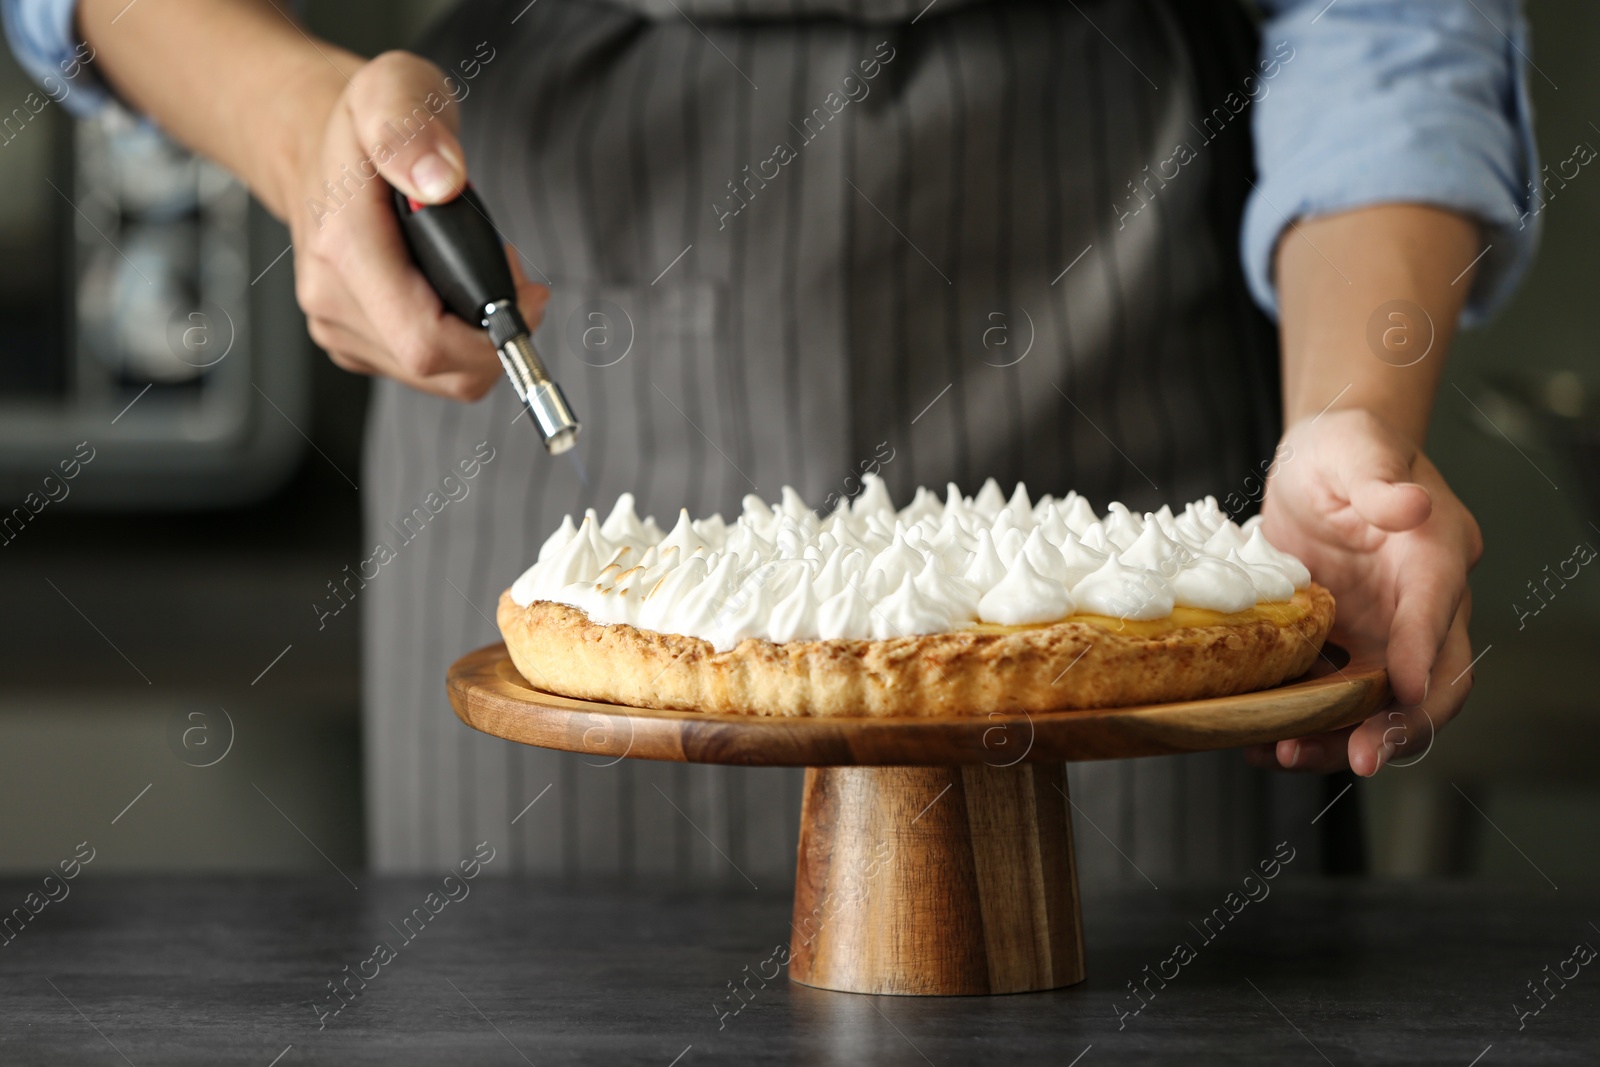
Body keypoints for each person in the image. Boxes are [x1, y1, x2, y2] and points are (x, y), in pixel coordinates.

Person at [8, 0, 1525, 884]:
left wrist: (1352, 417)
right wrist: (300, 128)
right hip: (559, 278)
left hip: (1108, 280)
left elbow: (1393, 22)